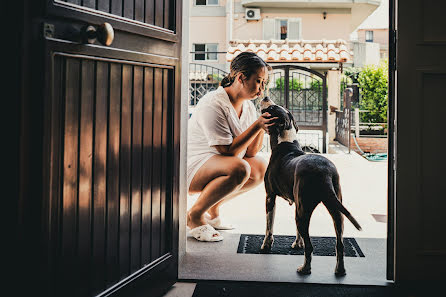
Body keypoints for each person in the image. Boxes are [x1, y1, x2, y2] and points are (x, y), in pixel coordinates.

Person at [187, 52, 276, 242]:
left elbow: (251, 152)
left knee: (259, 167)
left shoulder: (249, 107)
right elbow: (228, 151)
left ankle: (212, 210)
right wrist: (257, 125)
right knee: (240, 168)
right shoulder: (213, 103)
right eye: (258, 81)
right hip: (192, 168)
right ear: (241, 78)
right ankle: (194, 216)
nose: (261, 89)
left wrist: (262, 125)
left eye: (264, 83)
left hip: (219, 165)